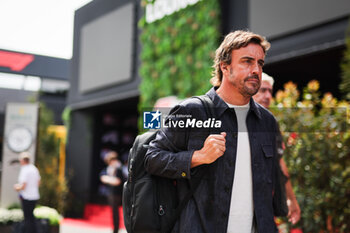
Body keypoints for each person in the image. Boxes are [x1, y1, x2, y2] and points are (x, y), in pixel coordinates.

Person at [145, 30, 281, 233]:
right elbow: (152, 158)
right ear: (225, 67)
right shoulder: (193, 111)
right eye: (247, 61)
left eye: (260, 63)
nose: (256, 70)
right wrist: (198, 157)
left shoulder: (267, 121)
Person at [253, 72, 301, 224]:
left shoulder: (271, 124)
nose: (267, 96)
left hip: (263, 204)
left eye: (270, 91)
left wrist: (291, 199)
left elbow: (280, 164)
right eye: (262, 90)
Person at [14, 152, 41, 233]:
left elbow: (23, 185)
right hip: (34, 196)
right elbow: (39, 182)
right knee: (31, 217)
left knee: (27, 218)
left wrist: (16, 187)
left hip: (27, 197)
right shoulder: (34, 169)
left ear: (23, 160)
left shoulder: (25, 169)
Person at [100, 151, 124, 233]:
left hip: (118, 194)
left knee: (116, 213)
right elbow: (102, 178)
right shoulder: (107, 169)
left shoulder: (119, 169)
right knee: (113, 212)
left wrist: (109, 179)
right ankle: (115, 228)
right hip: (110, 194)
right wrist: (111, 180)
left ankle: (116, 229)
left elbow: (118, 181)